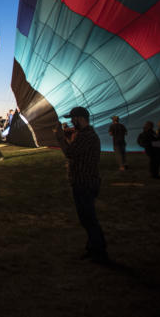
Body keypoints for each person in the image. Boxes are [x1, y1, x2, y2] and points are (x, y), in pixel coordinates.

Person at [53, 107, 108, 263]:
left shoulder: (87, 136)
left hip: (85, 182)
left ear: (80, 118)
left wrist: (59, 138)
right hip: (83, 181)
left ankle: (99, 250)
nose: (71, 121)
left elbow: (70, 153)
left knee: (88, 218)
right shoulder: (84, 135)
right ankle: (94, 247)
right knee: (86, 218)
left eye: (73, 118)